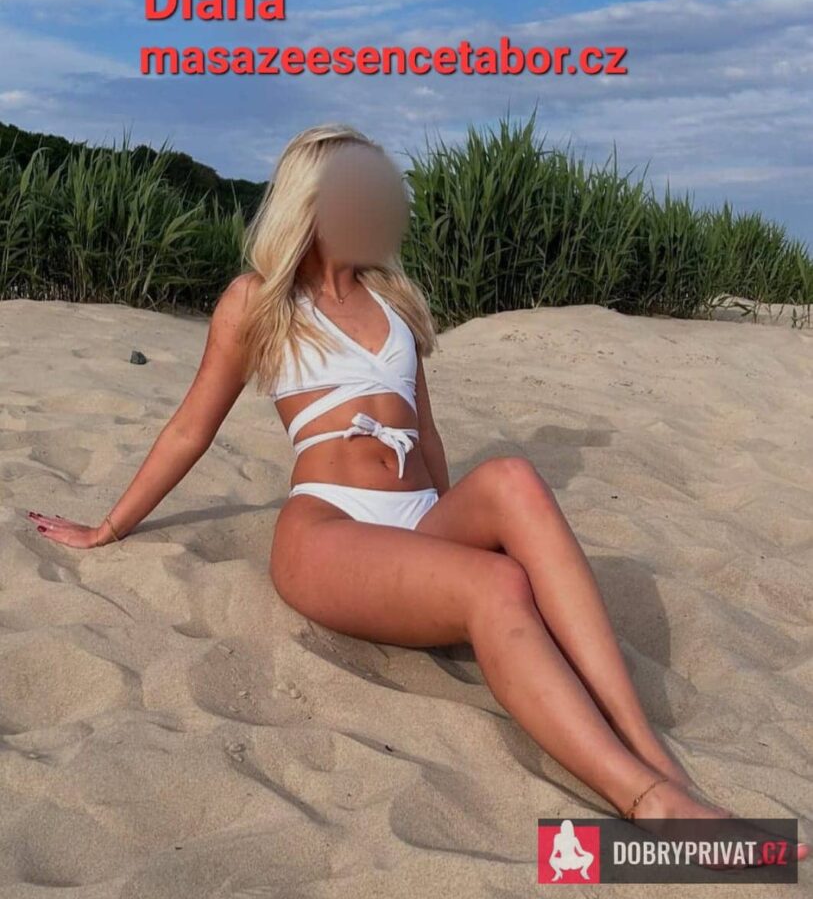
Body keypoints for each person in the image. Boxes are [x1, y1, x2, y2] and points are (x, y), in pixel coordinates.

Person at [23, 125, 809, 851]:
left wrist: (447, 528)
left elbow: (424, 433)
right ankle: (645, 799)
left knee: (511, 477)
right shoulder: (258, 299)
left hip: (414, 519)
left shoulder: (392, 297)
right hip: (327, 529)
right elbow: (191, 428)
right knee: (497, 582)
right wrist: (110, 526)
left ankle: (647, 748)